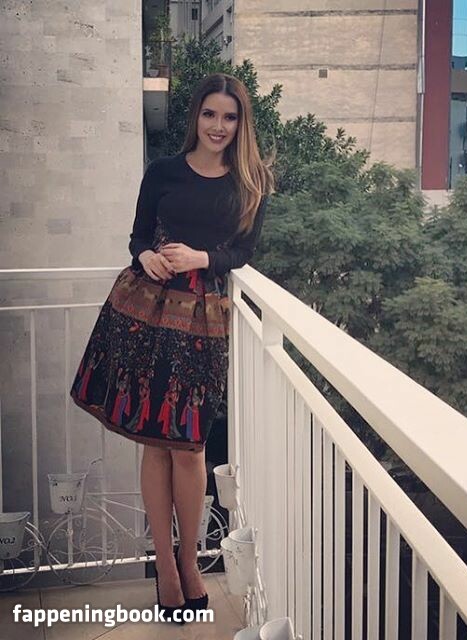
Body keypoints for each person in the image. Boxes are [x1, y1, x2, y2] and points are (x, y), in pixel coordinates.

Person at [69, 72, 275, 623]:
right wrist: (145, 256)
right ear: (195, 117)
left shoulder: (250, 183)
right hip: (146, 315)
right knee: (155, 443)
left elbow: (243, 253)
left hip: (201, 323)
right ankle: (165, 565)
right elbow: (138, 236)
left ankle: (189, 561)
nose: (218, 126)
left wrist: (202, 258)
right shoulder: (163, 171)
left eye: (229, 117)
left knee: (190, 446)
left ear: (241, 123)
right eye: (210, 114)